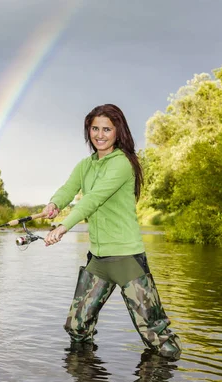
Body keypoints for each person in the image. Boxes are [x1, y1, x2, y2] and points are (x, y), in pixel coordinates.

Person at [42, 104, 182, 359]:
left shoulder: (122, 164)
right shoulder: (86, 165)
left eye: (107, 129)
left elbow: (92, 199)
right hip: (98, 260)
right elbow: (68, 189)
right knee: (77, 327)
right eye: (95, 128)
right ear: (88, 130)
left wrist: (63, 226)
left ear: (118, 132)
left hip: (127, 259)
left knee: (157, 337)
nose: (100, 134)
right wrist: (54, 204)